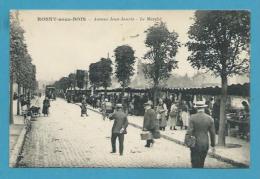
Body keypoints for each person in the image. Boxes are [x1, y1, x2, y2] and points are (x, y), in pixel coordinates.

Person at [186, 101, 216, 168]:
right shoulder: (210, 118)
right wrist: (213, 145)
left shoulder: (192, 117)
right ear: (204, 108)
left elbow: (189, 132)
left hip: (195, 144)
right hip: (205, 143)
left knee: (194, 162)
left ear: (196, 108)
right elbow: (212, 133)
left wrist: (187, 142)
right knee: (202, 162)